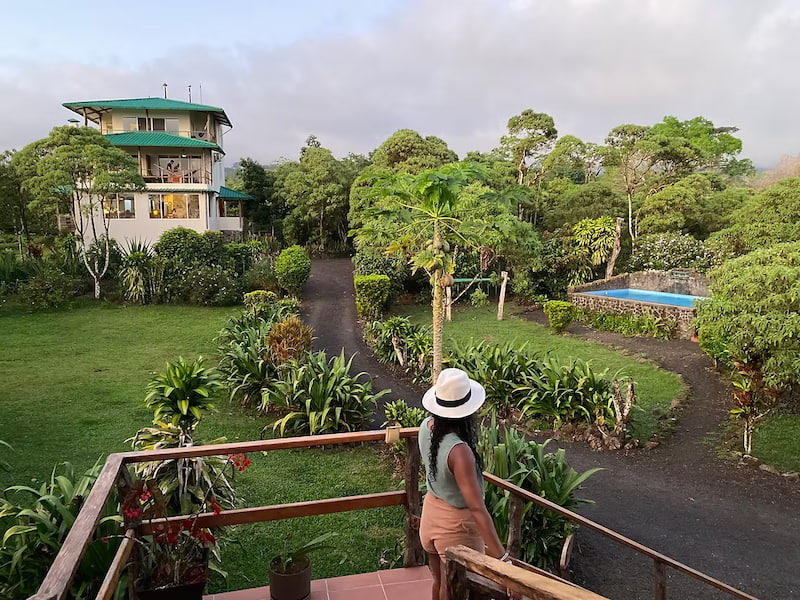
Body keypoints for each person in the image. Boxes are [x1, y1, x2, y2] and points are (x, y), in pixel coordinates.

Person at [418, 368, 511, 600]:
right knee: (456, 590)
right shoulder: (459, 452)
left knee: (440, 582)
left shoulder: (426, 426)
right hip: (455, 528)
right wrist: (502, 560)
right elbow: (477, 509)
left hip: (430, 516)